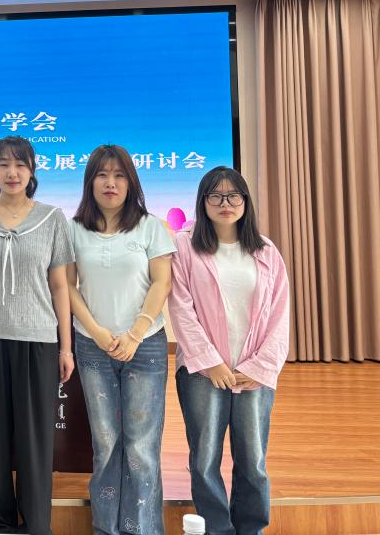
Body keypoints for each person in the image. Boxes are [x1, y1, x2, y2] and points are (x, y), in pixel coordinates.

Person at [0, 136, 75, 535]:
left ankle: (36, 525)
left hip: (38, 340)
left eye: (20, 164)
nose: (12, 172)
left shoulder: (52, 219)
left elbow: (60, 286)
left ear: (32, 170)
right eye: (4, 164)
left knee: (34, 441)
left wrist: (66, 347)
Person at [168, 166, 290, 535]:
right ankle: (217, 529)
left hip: (253, 373)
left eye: (233, 195)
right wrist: (210, 362)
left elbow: (280, 315)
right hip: (203, 373)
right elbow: (181, 308)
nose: (226, 203)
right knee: (205, 459)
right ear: (203, 201)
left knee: (252, 459)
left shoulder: (266, 251)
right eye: (216, 196)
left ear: (245, 201)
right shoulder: (185, 247)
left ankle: (251, 528)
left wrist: (259, 366)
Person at [67, 144, 175, 535]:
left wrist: (135, 332)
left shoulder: (150, 226)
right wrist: (96, 331)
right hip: (91, 345)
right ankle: (106, 528)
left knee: (141, 448)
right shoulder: (73, 229)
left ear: (131, 182)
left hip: (144, 346)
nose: (110, 183)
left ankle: (141, 529)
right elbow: (68, 286)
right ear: (90, 182)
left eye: (118, 175)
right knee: (106, 444)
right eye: (102, 174)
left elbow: (162, 282)